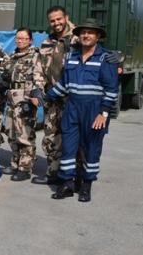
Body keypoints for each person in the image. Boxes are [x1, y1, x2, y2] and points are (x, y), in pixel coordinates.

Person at [47, 19, 119, 202]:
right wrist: (44, 97)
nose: (86, 35)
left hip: (94, 111)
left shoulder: (105, 58)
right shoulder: (71, 57)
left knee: (91, 150)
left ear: (98, 36)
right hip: (72, 109)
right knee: (68, 149)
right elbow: (64, 85)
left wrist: (103, 113)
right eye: (83, 32)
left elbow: (111, 89)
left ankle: (86, 186)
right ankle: (67, 185)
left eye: (91, 32)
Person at [34, 5, 78, 184]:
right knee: (51, 137)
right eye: (52, 20)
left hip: (73, 99)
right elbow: (38, 68)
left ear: (66, 17)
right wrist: (38, 87)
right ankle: (53, 172)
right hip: (52, 98)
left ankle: (74, 176)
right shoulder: (46, 42)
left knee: (73, 137)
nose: (56, 23)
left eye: (59, 19)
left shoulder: (78, 39)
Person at [2, 28, 45, 181]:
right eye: (18, 38)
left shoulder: (35, 56)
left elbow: (39, 76)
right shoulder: (13, 56)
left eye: (23, 38)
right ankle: (15, 163)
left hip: (25, 100)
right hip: (12, 100)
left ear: (30, 40)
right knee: (12, 133)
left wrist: (37, 93)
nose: (20, 41)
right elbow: (9, 76)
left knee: (25, 135)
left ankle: (25, 168)